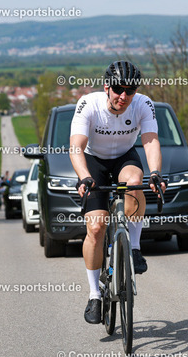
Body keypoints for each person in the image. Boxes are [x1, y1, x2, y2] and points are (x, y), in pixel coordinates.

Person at [69, 60, 167, 324]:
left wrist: (155, 172)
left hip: (124, 157)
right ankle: (94, 295)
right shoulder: (88, 104)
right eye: (118, 89)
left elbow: (150, 141)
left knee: (135, 181)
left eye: (130, 91)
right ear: (106, 87)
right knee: (96, 228)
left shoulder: (143, 104)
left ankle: (133, 248)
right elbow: (76, 147)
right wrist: (84, 177)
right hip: (94, 162)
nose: (123, 96)